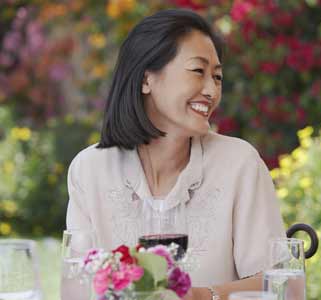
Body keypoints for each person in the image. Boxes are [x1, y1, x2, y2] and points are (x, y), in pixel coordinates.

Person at [65, 9, 285, 299]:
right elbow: (77, 284)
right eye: (198, 71)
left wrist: (200, 296)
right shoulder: (90, 170)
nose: (211, 90)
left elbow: (283, 283)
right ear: (146, 79)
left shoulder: (239, 164)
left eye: (217, 77)